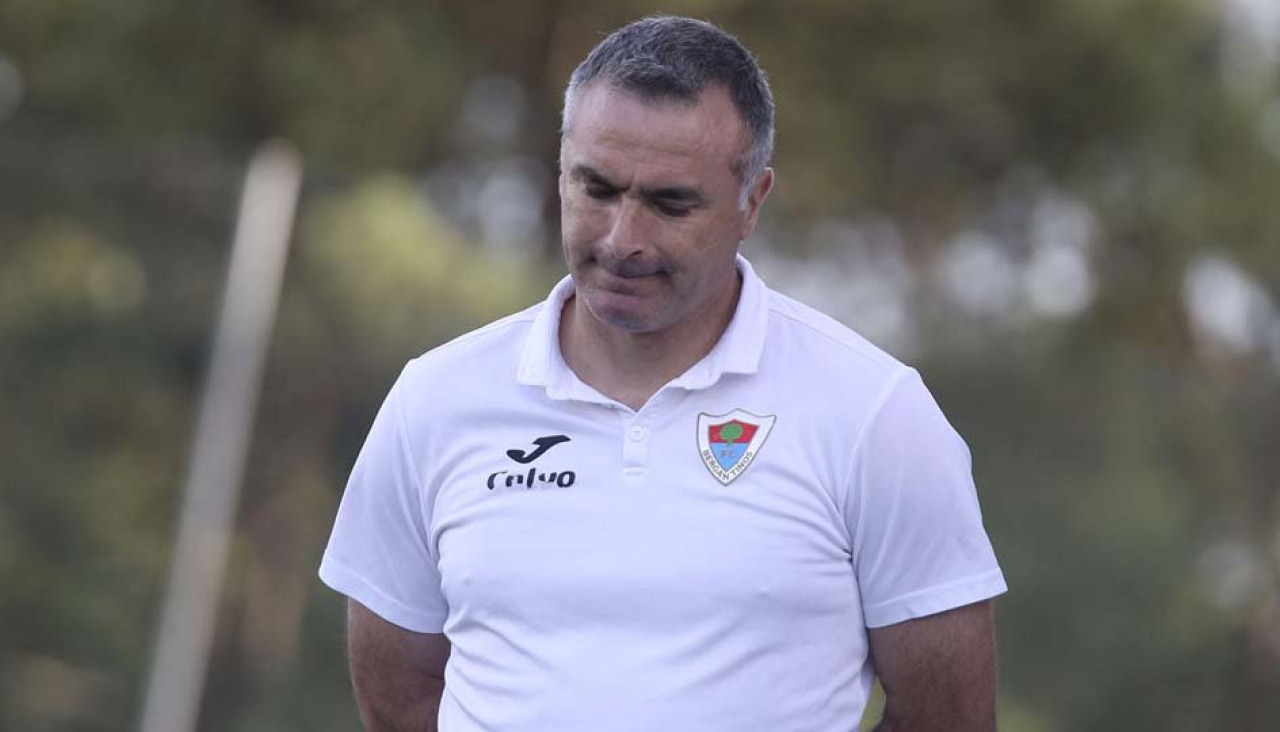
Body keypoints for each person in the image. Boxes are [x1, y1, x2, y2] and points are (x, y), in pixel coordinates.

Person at [320, 15, 1007, 732]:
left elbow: (950, 719)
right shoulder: (434, 399)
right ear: (561, 172)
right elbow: (400, 697)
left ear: (752, 201)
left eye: (670, 203)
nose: (624, 240)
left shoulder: (875, 415)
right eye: (597, 189)